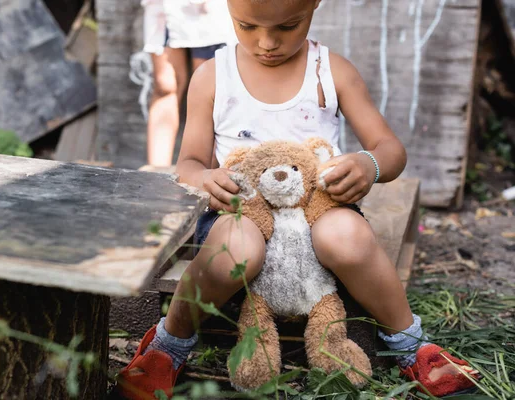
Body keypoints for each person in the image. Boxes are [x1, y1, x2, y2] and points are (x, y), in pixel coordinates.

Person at [117, 0, 480, 398]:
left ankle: (412, 344)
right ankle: (169, 344)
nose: (266, 42)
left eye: (288, 26)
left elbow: (390, 149)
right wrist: (205, 178)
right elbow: (187, 163)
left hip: (318, 208)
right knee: (236, 248)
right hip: (243, 211)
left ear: (314, 7)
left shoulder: (331, 71)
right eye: (247, 26)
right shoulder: (212, 76)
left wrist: (368, 164)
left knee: (346, 237)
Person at [142, 0, 235, 167]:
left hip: (210, 10)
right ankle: (156, 170)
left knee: (211, 87)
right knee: (165, 84)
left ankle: (207, 171)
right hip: (165, 7)